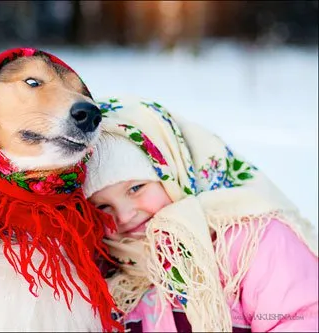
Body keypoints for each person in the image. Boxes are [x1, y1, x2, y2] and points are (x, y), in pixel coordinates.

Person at [83, 95, 319, 332]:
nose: (124, 216)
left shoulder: (251, 241)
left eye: (136, 188)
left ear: (175, 173)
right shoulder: (103, 266)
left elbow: (300, 318)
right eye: (103, 207)